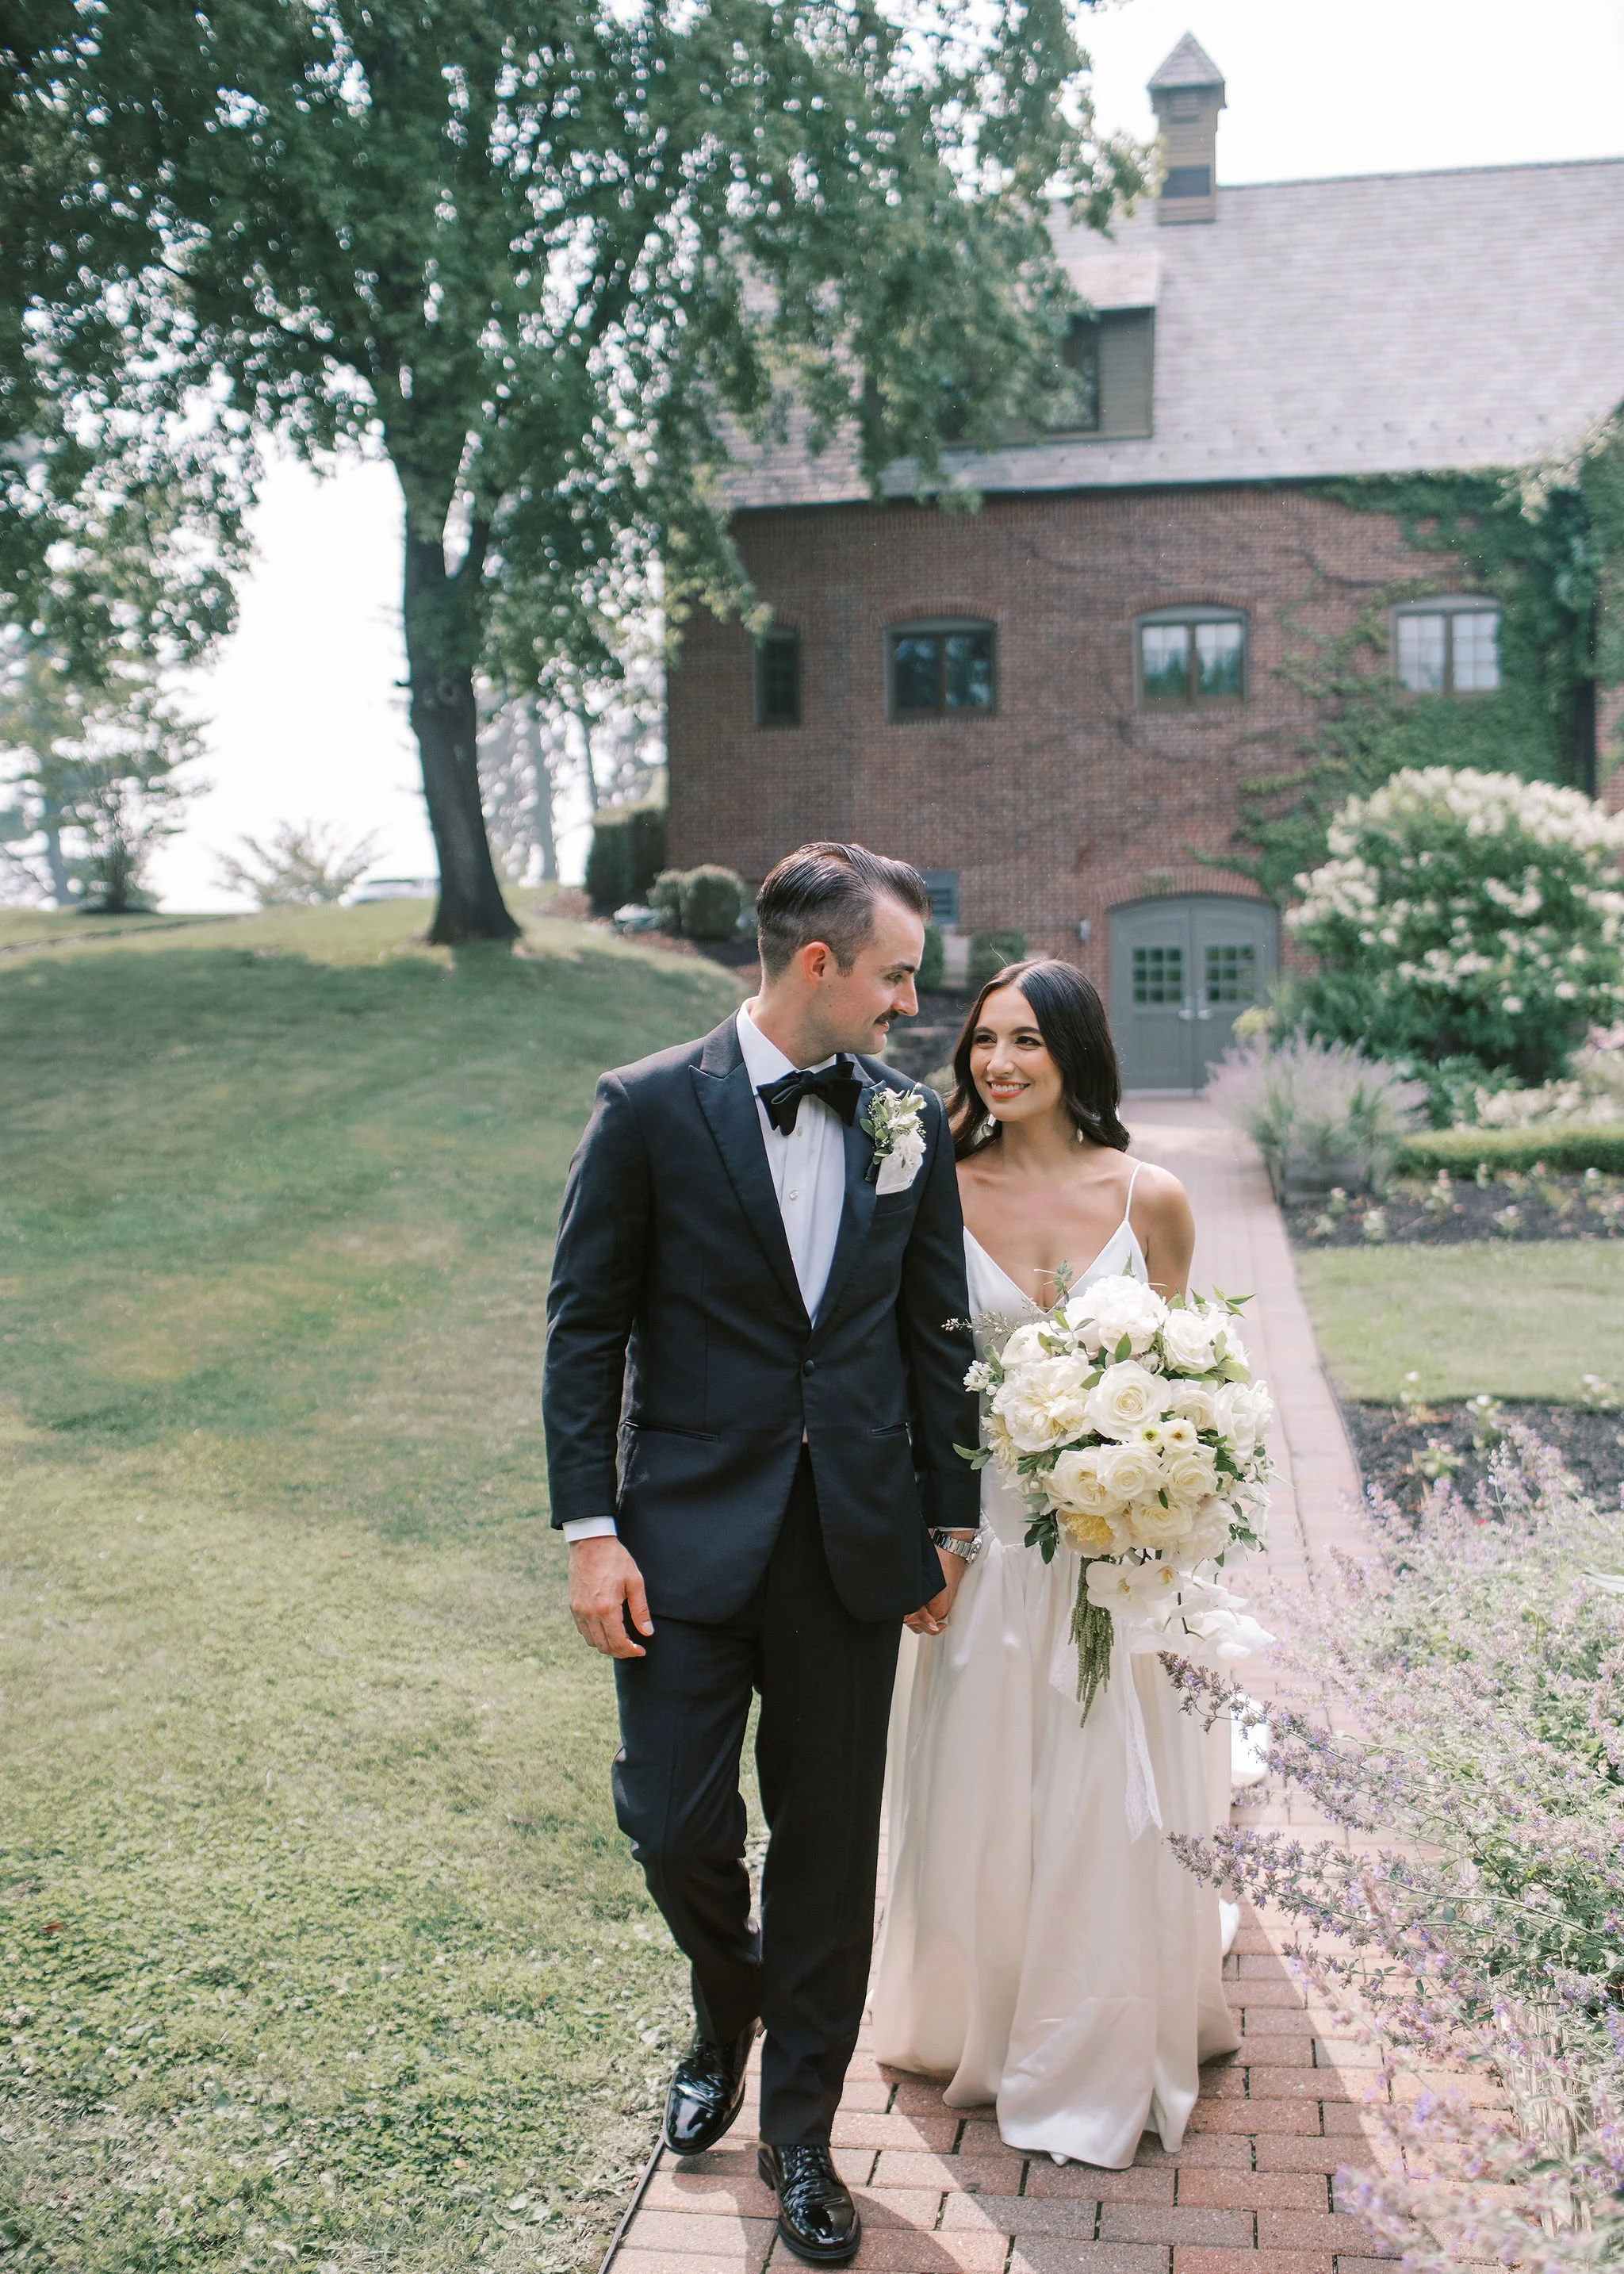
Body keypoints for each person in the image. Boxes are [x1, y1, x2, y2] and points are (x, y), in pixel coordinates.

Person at [542, 843, 980, 2268]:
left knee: (829, 1848)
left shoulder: (909, 1118)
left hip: (852, 1546)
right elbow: (584, 1329)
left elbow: (932, 1339)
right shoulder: (650, 1108)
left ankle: (800, 2126)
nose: (914, 999)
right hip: (679, 1542)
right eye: (897, 971)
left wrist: (945, 1523)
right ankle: (726, 2007)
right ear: (818, 964)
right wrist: (591, 1530)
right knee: (673, 1825)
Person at [872, 958, 1240, 2169]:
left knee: (1108, 1784)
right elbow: (915, 1384)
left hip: (1120, 1550)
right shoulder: (937, 1188)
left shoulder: (1152, 1198)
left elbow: (1200, 1382)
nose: (1000, 1064)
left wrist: (1163, 1492)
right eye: (985, 1040)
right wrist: (933, 1535)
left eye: (1027, 1040)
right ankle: (983, 2009)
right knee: (986, 1769)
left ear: (1076, 1051)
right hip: (985, 1538)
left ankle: (1108, 2021)